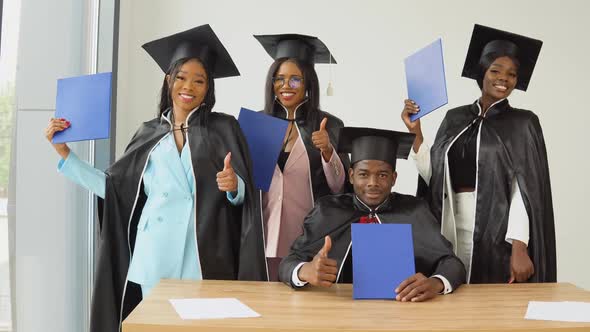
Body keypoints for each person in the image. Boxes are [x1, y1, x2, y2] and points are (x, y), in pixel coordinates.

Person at [44, 24, 267, 332]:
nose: (188, 86)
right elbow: (114, 189)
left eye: (199, 81)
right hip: (152, 259)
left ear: (208, 88)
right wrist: (66, 155)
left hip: (202, 260)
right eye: (181, 77)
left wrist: (234, 186)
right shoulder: (149, 133)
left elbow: (245, 196)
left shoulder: (224, 128)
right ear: (169, 80)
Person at [401, 24, 556, 284]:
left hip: (496, 228)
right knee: (449, 288)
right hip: (450, 221)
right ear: (482, 72)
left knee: (489, 300)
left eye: (511, 74)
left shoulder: (523, 123)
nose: (503, 79)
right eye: (496, 70)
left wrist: (520, 245)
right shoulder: (456, 118)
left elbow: (523, 189)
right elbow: (435, 174)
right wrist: (415, 132)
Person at [279, 127, 465, 302]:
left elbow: (452, 263)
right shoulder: (328, 210)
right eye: (363, 174)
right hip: (337, 308)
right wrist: (305, 270)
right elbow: (288, 263)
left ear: (394, 178)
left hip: (403, 309)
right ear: (351, 176)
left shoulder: (414, 210)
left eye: (383, 175)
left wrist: (435, 283)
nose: (373, 183)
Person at [253, 34, 350, 280]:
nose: (286, 86)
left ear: (308, 83)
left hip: (309, 236)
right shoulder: (257, 124)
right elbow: (246, 187)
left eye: (296, 79)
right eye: (280, 79)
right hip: (264, 233)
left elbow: (340, 188)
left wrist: (328, 152)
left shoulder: (329, 124)